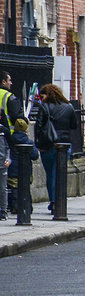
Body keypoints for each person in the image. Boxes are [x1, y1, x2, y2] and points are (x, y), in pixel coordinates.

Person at [34, 84, 79, 212]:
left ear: (47, 94)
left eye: (42, 95)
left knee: (50, 174)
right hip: (64, 145)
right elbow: (74, 125)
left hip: (48, 145)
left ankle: (53, 201)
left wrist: (39, 145)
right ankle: (60, 201)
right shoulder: (69, 107)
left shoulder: (44, 107)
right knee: (60, 174)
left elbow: (38, 126)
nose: (41, 98)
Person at [0, 71, 23, 214]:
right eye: (9, 80)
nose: (11, 83)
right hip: (8, 139)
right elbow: (17, 117)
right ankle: (6, 208)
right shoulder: (9, 96)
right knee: (7, 178)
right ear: (3, 81)